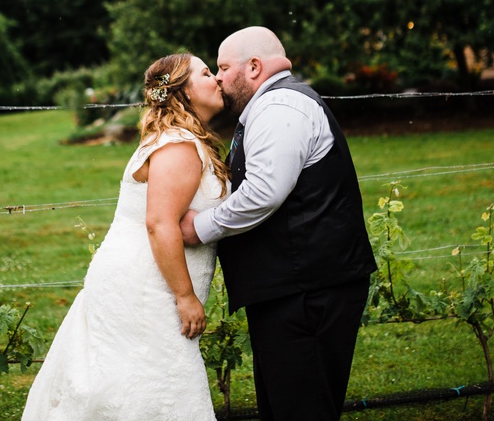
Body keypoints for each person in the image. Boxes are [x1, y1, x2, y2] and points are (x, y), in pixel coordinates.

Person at [182, 26, 378, 421]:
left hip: (309, 291)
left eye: (222, 67)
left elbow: (263, 194)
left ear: (253, 67)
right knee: (286, 404)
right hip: (296, 287)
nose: (218, 78)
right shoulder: (272, 106)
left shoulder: (280, 108)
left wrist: (198, 227)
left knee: (302, 408)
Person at [23, 53, 230, 421]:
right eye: (205, 73)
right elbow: (160, 223)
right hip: (149, 290)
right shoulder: (178, 145)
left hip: (142, 279)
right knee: (155, 382)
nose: (216, 79)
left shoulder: (177, 139)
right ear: (182, 92)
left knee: (132, 383)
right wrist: (184, 296)